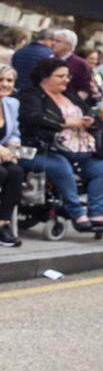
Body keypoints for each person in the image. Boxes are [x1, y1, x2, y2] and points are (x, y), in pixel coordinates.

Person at [18, 56, 103, 234]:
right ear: (45, 77)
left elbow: (91, 113)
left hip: (80, 151)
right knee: (61, 166)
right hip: (43, 150)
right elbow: (32, 118)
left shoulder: (69, 96)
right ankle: (77, 214)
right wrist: (65, 123)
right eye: (61, 76)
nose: (66, 80)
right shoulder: (31, 95)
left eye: (67, 76)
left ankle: (96, 214)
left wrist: (91, 121)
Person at [0, 67, 24, 247]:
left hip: (3, 156)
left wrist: (13, 143)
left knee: (16, 172)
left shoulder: (11, 104)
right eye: (1, 79)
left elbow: (14, 132)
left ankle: (3, 223)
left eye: (9, 80)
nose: (5, 84)